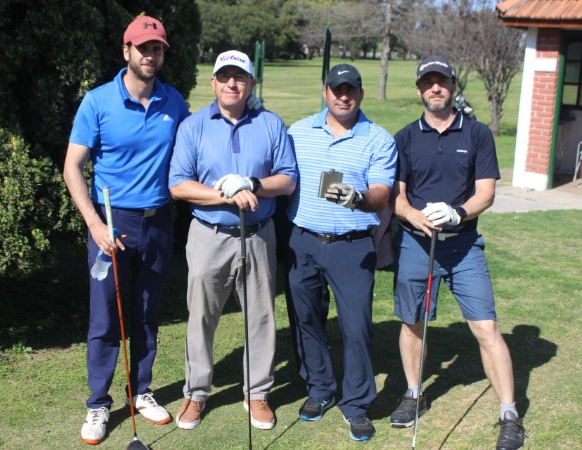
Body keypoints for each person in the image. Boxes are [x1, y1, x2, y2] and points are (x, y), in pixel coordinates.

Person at [63, 16, 190, 445]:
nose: (150, 55)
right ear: (126, 51)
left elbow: (195, 146)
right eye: (143, 48)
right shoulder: (98, 101)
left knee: (147, 312)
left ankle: (141, 390)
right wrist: (95, 224)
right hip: (112, 223)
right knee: (106, 316)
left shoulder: (173, 101)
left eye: (157, 49)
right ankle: (99, 403)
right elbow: (72, 167)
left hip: (160, 221)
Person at [389, 55, 525, 450]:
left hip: (464, 246)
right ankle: (414, 393)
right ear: (419, 89)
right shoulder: (405, 137)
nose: (436, 88)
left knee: (486, 329)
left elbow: (487, 193)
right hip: (417, 244)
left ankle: (510, 414)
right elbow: (396, 197)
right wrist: (414, 216)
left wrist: (458, 212)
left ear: (453, 86)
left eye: (442, 81)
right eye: (428, 82)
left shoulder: (477, 133)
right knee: (413, 322)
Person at [168, 50, 297, 431]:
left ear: (251, 83)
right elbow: (178, 185)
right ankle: (196, 392)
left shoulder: (271, 124)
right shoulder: (193, 126)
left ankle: (257, 392)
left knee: (261, 316)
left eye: (239, 77)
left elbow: (288, 179)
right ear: (213, 82)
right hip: (208, 235)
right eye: (224, 76)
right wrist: (227, 194)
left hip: (258, 235)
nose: (231, 83)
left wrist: (253, 184)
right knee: (201, 316)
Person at [285, 63, 397, 442]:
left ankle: (357, 404)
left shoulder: (378, 139)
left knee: (357, 326)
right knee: (306, 320)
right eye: (337, 90)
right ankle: (320, 389)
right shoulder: (298, 131)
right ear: (325, 93)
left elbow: (382, 193)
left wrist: (358, 199)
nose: (344, 96)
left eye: (351, 90)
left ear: (360, 94)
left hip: (352, 246)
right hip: (303, 241)